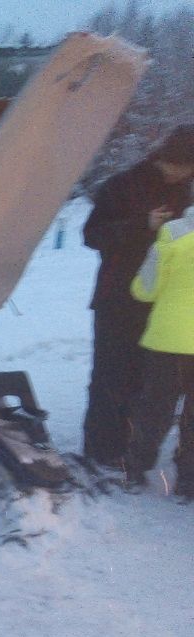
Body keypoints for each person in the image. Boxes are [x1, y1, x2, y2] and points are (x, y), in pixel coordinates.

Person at [81, 125, 194, 469]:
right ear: (174, 160)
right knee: (112, 375)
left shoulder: (184, 191)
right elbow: (92, 236)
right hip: (117, 298)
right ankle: (101, 449)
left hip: (160, 304)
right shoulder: (121, 186)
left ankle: (132, 449)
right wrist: (142, 224)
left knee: (147, 382)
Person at [123, 201, 194, 496]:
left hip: (167, 341)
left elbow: (144, 290)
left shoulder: (173, 232)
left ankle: (136, 470)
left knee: (155, 409)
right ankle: (189, 483)